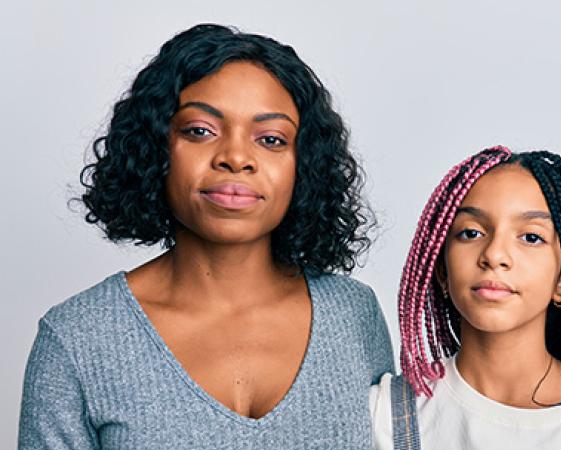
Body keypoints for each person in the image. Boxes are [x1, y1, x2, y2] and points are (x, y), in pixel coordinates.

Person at [19, 24, 393, 449]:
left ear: (302, 166)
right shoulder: (76, 339)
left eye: (271, 139)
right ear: (156, 148)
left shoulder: (354, 315)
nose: (235, 157)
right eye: (199, 131)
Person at [370, 147, 561, 449]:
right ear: (442, 271)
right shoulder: (382, 416)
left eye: (531, 237)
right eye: (471, 233)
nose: (494, 254)